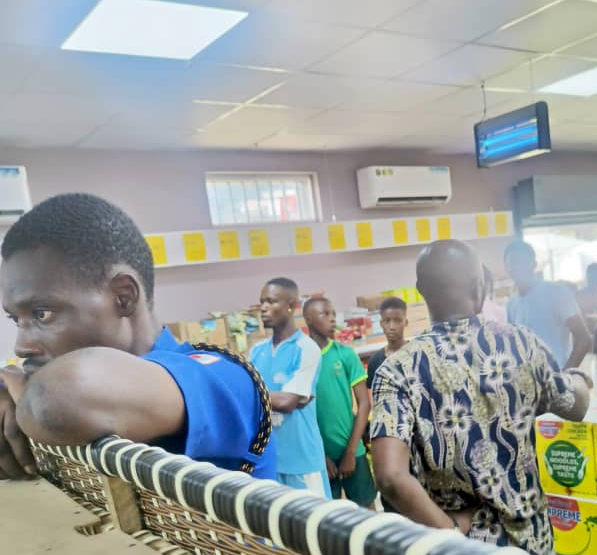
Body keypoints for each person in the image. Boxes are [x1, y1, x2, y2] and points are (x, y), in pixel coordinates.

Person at [0, 193, 276, 481]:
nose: (21, 346)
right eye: (15, 319)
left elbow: (51, 402)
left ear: (123, 297)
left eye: (42, 314)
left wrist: (22, 393)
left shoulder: (220, 375)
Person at [371, 239, 590, 554]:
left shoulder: (399, 370)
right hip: (532, 547)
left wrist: (451, 532)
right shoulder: (520, 344)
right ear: (480, 286)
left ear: (421, 290)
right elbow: (576, 405)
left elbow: (390, 476)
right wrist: (579, 377)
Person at [250, 278, 329, 497]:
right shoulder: (256, 352)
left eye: (271, 301)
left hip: (302, 463)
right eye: (262, 302)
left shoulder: (306, 349)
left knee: (315, 527)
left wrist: (249, 392)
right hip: (269, 463)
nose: (264, 308)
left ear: (291, 305)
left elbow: (287, 402)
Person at [304, 297, 376, 508]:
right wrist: (320, 456)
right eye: (324, 314)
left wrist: (351, 452)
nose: (332, 319)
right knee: (329, 517)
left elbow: (364, 404)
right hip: (319, 457)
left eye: (333, 314)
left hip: (353, 449)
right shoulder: (301, 359)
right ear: (308, 319)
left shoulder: (344, 355)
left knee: (368, 511)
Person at [504, 239, 592, 368]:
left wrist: (565, 376)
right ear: (506, 268)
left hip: (556, 379)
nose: (515, 267)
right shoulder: (511, 303)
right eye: (511, 262)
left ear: (533, 264)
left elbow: (584, 339)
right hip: (528, 381)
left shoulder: (556, 292)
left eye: (521, 262)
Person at [366, 297, 408, 389]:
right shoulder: (375, 361)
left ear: (406, 322)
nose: (392, 327)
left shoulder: (418, 354)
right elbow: (373, 396)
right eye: (387, 321)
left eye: (397, 320)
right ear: (381, 324)